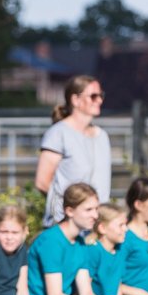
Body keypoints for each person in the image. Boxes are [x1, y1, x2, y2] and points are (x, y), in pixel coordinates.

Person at [35, 75, 111, 228]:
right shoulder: (58, 133)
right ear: (75, 100)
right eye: (93, 96)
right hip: (66, 224)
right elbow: (43, 182)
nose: (100, 100)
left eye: (101, 95)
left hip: (96, 224)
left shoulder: (102, 135)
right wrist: (70, 211)